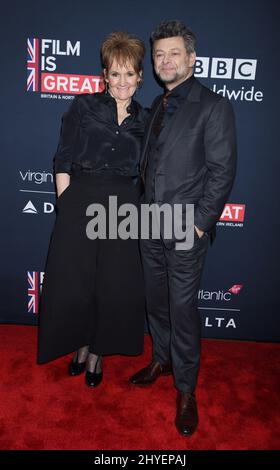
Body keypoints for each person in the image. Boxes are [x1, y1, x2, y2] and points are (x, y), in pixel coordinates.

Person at [129, 20, 237, 437]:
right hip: (148, 224)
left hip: (184, 228)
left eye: (174, 53)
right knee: (156, 301)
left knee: (183, 309)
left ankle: (187, 389)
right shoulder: (156, 105)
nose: (165, 60)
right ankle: (162, 357)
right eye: (159, 54)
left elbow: (221, 171)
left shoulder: (213, 106)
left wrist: (199, 224)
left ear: (191, 58)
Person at [38, 32, 147, 388]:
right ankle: (82, 347)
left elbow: (149, 171)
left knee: (111, 285)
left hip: (123, 207)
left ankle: (98, 354)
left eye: (129, 74)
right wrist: (65, 202)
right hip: (80, 200)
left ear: (140, 77)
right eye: (115, 74)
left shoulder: (146, 119)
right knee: (79, 282)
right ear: (105, 75)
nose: (122, 82)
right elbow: (63, 157)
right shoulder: (83, 106)